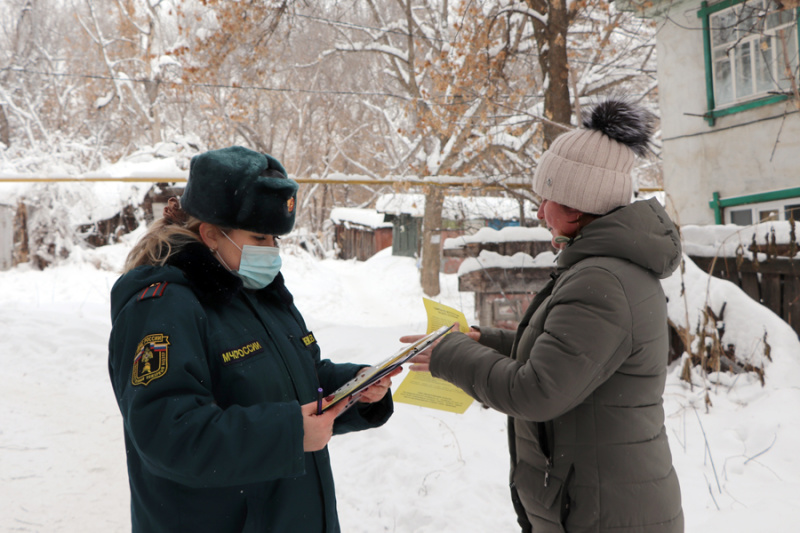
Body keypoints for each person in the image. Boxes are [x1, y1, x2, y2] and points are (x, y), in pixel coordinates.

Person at [402, 99, 684, 532]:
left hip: (606, 514)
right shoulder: (602, 268)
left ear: (574, 207)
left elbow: (536, 391)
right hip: (600, 501)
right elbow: (571, 359)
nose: (538, 211)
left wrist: (451, 354)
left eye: (546, 198)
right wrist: (488, 341)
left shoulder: (604, 281)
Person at [108, 145, 398, 533]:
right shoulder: (162, 307)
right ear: (210, 234)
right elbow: (168, 433)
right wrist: (290, 434)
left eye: (276, 240)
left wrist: (356, 387)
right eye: (260, 238)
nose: (272, 252)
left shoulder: (261, 292)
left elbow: (300, 381)